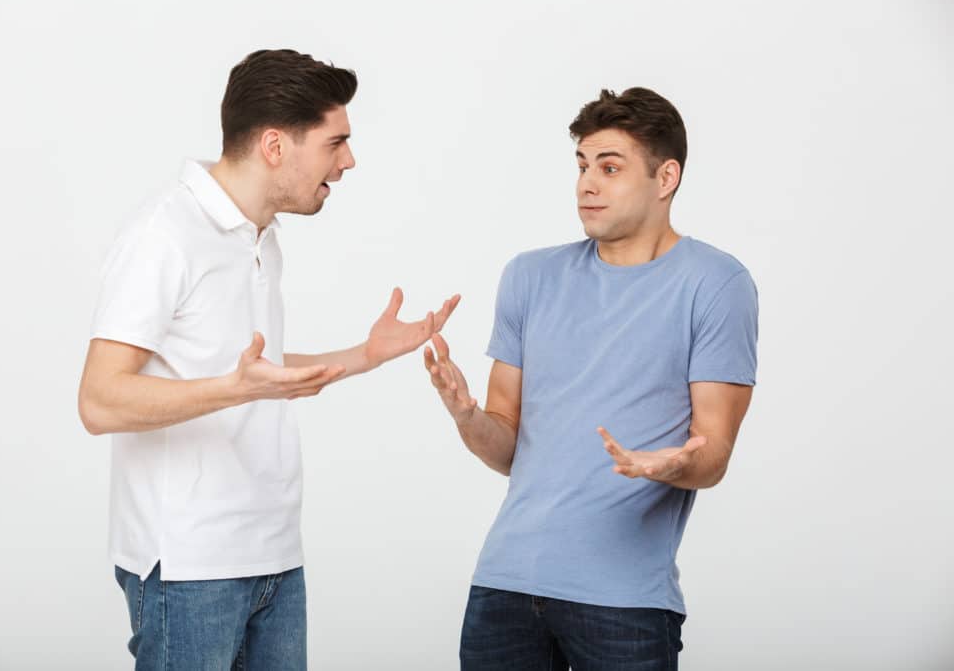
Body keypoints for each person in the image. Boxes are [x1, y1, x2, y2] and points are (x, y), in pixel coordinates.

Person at [77, 48, 459, 670]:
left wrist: (366, 355)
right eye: (336, 143)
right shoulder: (163, 233)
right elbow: (99, 400)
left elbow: (254, 368)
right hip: (189, 570)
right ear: (276, 146)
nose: (349, 160)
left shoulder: (260, 235)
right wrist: (236, 389)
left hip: (275, 557)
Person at [423, 87, 758, 670]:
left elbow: (715, 453)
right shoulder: (529, 276)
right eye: (581, 166)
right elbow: (507, 446)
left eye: (610, 167)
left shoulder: (716, 284)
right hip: (504, 585)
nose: (587, 184)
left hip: (625, 603)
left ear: (666, 177)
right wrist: (468, 416)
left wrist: (672, 463)